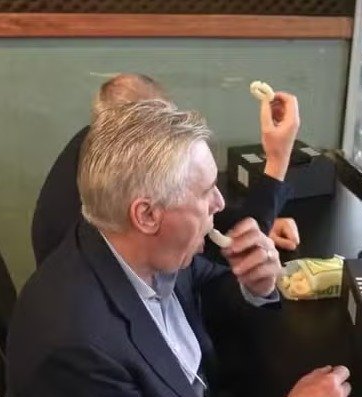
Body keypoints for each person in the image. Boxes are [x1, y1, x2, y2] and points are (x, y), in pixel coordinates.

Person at [6, 99, 351, 397]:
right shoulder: (77, 349)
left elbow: (207, 284)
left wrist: (256, 286)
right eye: (205, 192)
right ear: (147, 215)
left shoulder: (129, 243)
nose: (219, 203)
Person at [31, 73, 300, 266]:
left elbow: (198, 221)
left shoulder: (93, 147)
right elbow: (235, 258)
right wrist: (277, 160)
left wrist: (238, 223)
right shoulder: (96, 228)